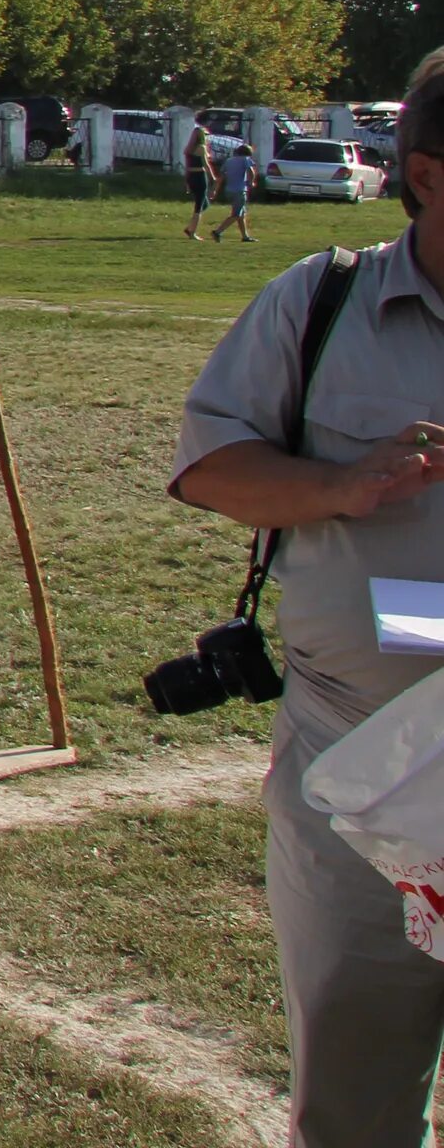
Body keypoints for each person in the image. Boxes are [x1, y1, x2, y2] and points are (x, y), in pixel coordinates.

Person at [171, 68, 444, 1147]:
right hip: (358, 780)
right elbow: (210, 464)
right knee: (354, 1103)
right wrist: (341, 484)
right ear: (425, 175)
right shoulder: (323, 297)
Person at [211, 137, 258, 244]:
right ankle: (217, 232)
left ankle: (245, 236)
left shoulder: (229, 161)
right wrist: (251, 182)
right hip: (240, 190)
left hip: (229, 190)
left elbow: (221, 176)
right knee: (236, 214)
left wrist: (215, 189)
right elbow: (251, 171)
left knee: (241, 214)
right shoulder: (245, 159)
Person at [182, 123, 217, 241]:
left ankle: (189, 227)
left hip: (191, 176)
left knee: (204, 203)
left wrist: (187, 180)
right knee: (199, 205)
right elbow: (206, 165)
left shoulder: (188, 149)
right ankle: (192, 232)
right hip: (200, 176)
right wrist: (213, 178)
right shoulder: (201, 148)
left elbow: (186, 167)